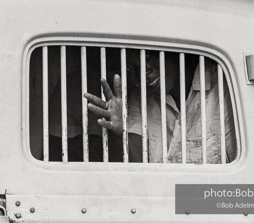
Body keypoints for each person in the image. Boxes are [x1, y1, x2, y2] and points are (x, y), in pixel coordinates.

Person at [85, 51, 237, 163]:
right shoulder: (141, 97)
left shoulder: (224, 86)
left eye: (149, 55)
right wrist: (119, 132)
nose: (143, 71)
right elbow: (138, 165)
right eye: (131, 66)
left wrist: (182, 201)